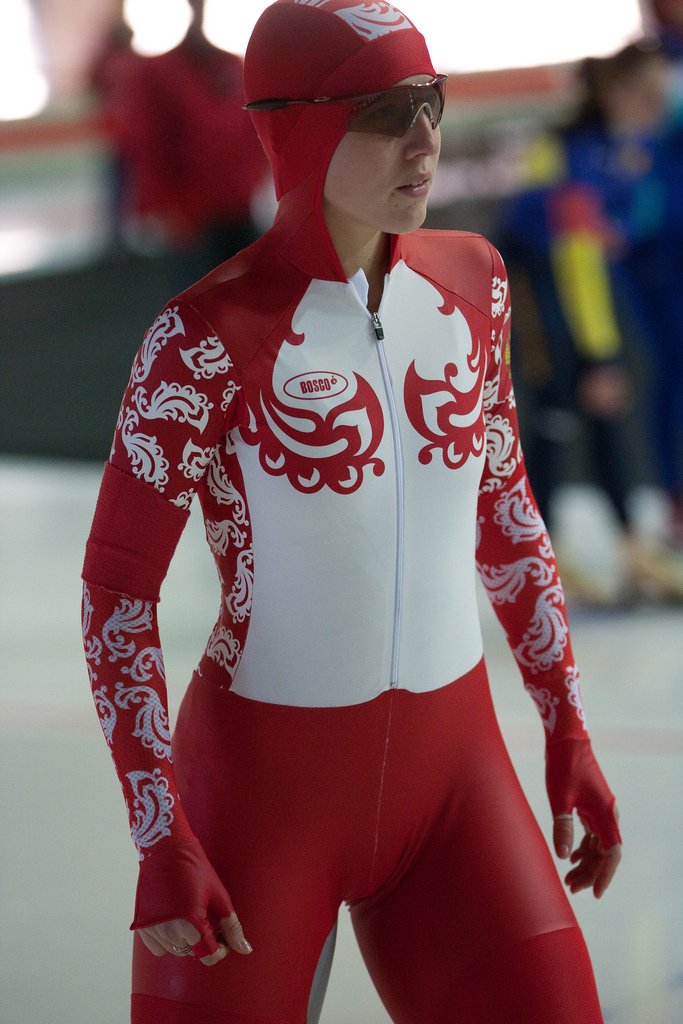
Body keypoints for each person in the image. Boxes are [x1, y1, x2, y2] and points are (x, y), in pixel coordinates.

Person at [81, 3, 622, 1022]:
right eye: (384, 113)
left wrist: (566, 727)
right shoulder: (201, 339)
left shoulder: (473, 283)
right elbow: (115, 593)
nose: (424, 140)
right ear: (294, 130)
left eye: (430, 102)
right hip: (258, 806)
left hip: (456, 785)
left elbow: (504, 510)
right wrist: (159, 832)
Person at [498, 42, 683, 599]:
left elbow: (622, 232)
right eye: (646, 93)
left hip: (585, 292)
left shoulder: (629, 149)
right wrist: (598, 353)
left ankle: (632, 548)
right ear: (612, 91)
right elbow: (572, 260)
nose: (657, 105)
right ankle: (543, 559)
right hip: (539, 295)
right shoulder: (569, 153)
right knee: (557, 414)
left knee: (606, 412)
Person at [91, 0, 268, 276]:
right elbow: (149, 146)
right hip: (192, 216)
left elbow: (250, 134)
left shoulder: (230, 66)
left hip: (238, 205)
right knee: (200, 289)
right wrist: (168, 207)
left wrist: (254, 182)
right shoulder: (158, 73)